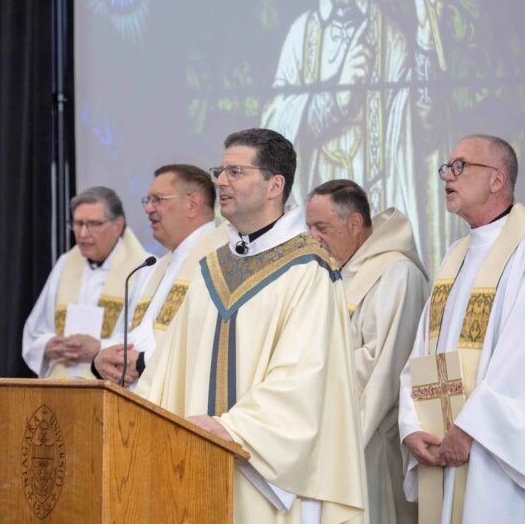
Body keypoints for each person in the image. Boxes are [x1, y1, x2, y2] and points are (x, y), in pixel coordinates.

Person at [137, 128, 366, 523]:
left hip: (266, 472)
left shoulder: (309, 270)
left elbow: (305, 379)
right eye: (220, 171)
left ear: (274, 184)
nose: (221, 182)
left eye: (236, 172)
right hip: (196, 465)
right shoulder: (211, 267)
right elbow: (167, 369)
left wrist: (233, 429)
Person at [261, 0, 446, 257]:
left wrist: (426, 45)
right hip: (311, 210)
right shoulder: (301, 34)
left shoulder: (390, 36)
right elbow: (276, 131)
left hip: (375, 204)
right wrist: (334, 101)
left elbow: (426, 129)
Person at [399, 134, 525, 522]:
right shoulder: (455, 255)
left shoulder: (521, 252)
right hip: (441, 442)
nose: (447, 177)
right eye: (446, 167)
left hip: (491, 452)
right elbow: (422, 350)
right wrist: (411, 425)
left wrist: (471, 429)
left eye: (460, 166)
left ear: (497, 180)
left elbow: (518, 357)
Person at [307, 179, 427, 524]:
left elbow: (383, 369)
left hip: (369, 438)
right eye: (309, 227)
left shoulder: (396, 273)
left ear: (355, 224)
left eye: (322, 227)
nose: (312, 237)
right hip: (330, 427)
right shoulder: (334, 274)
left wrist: (342, 442)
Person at [91, 164, 226, 385]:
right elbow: (131, 335)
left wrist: (145, 362)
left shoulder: (221, 259)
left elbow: (209, 344)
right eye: (148, 201)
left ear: (193, 205)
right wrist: (100, 360)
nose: (149, 209)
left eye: (158, 200)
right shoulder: (154, 267)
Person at [22, 186, 150, 379]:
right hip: (60, 385)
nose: (82, 234)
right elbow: (34, 332)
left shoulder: (142, 268)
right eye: (77, 223)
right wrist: (48, 346)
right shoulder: (66, 263)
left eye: (93, 224)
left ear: (118, 225)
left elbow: (146, 338)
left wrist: (99, 348)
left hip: (109, 388)